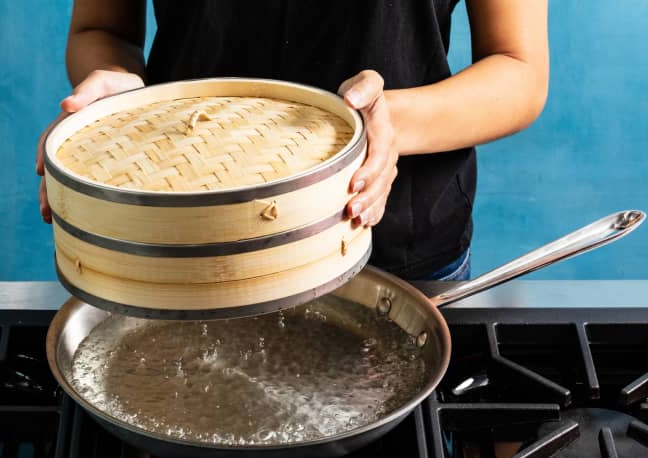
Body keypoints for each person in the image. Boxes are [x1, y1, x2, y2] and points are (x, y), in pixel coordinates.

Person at [35, 0, 549, 281]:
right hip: (190, 246)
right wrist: (115, 100)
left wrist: (388, 122)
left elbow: (518, 69)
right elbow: (102, 28)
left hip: (395, 241)